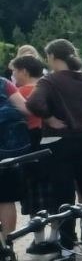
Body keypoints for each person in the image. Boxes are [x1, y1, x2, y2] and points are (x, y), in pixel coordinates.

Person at [27, 39, 82, 261]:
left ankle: (67, 251)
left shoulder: (49, 81)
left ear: (51, 56)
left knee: (64, 197)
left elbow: (33, 103)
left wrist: (49, 118)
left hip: (60, 142)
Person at [8, 54, 49, 246]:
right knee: (52, 191)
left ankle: (38, 239)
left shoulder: (21, 92)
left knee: (33, 192)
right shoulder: (47, 88)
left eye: (15, 71)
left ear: (24, 71)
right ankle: (57, 234)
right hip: (48, 139)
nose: (13, 75)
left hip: (29, 143)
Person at [0, 70, 29, 240]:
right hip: (7, 150)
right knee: (5, 198)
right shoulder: (4, 83)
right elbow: (25, 108)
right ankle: (7, 246)